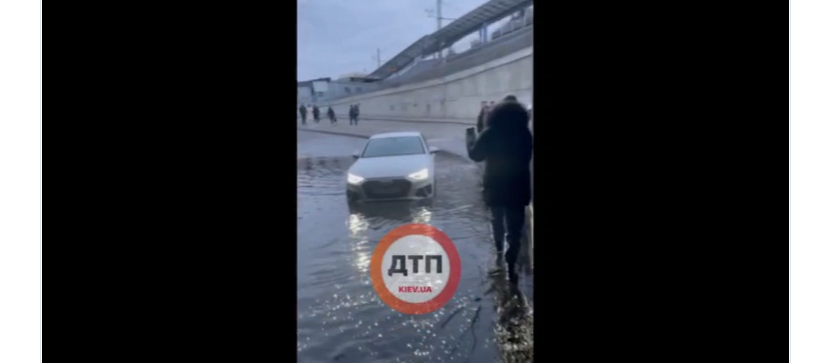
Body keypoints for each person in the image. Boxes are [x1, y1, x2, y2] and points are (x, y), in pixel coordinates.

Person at [467, 99, 532, 282]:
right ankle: (512, 269)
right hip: (519, 187)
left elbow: (475, 156)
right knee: (515, 231)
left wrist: (470, 137)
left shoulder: (490, 133)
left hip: (495, 186)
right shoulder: (525, 133)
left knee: (497, 220)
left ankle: (498, 252)